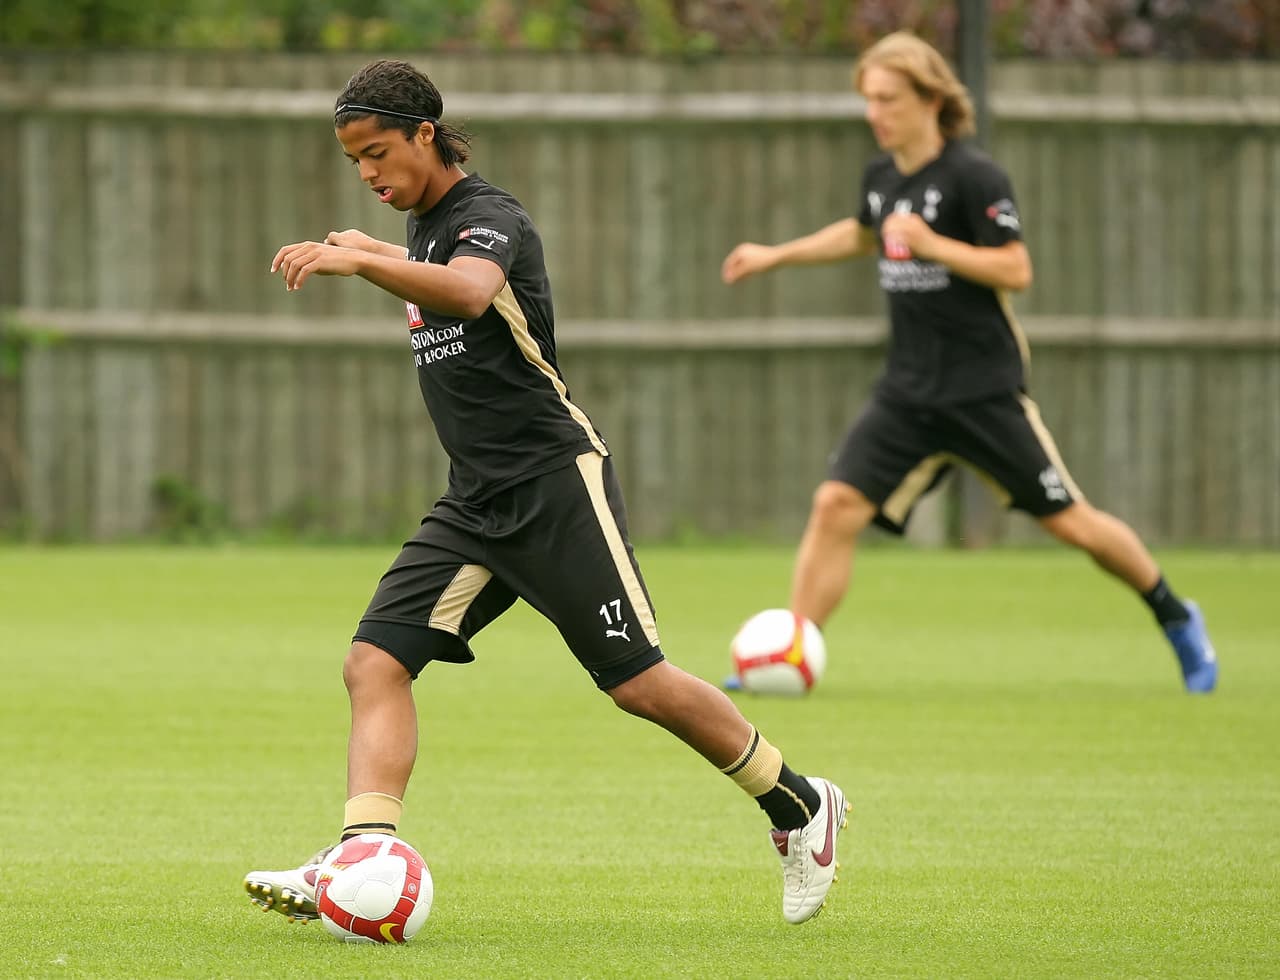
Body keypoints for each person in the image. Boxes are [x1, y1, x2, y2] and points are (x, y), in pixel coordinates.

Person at [242, 59, 848, 928]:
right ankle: (358, 855)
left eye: (378, 152)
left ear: (425, 135)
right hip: (475, 501)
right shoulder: (417, 228)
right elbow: (425, 270)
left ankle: (799, 804)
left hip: (554, 484)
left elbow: (469, 291)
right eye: (354, 163)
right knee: (374, 663)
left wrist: (364, 265)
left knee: (636, 683)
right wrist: (374, 249)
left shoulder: (487, 218)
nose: (370, 173)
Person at [719, 32, 1217, 694]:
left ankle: (1177, 615)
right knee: (835, 503)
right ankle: (789, 656)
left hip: (982, 391)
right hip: (908, 391)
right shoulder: (882, 176)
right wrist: (776, 255)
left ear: (931, 98)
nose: (876, 113)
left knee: (1073, 523)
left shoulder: (973, 177)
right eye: (869, 100)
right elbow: (861, 233)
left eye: (889, 99)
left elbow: (1016, 268)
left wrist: (933, 243)